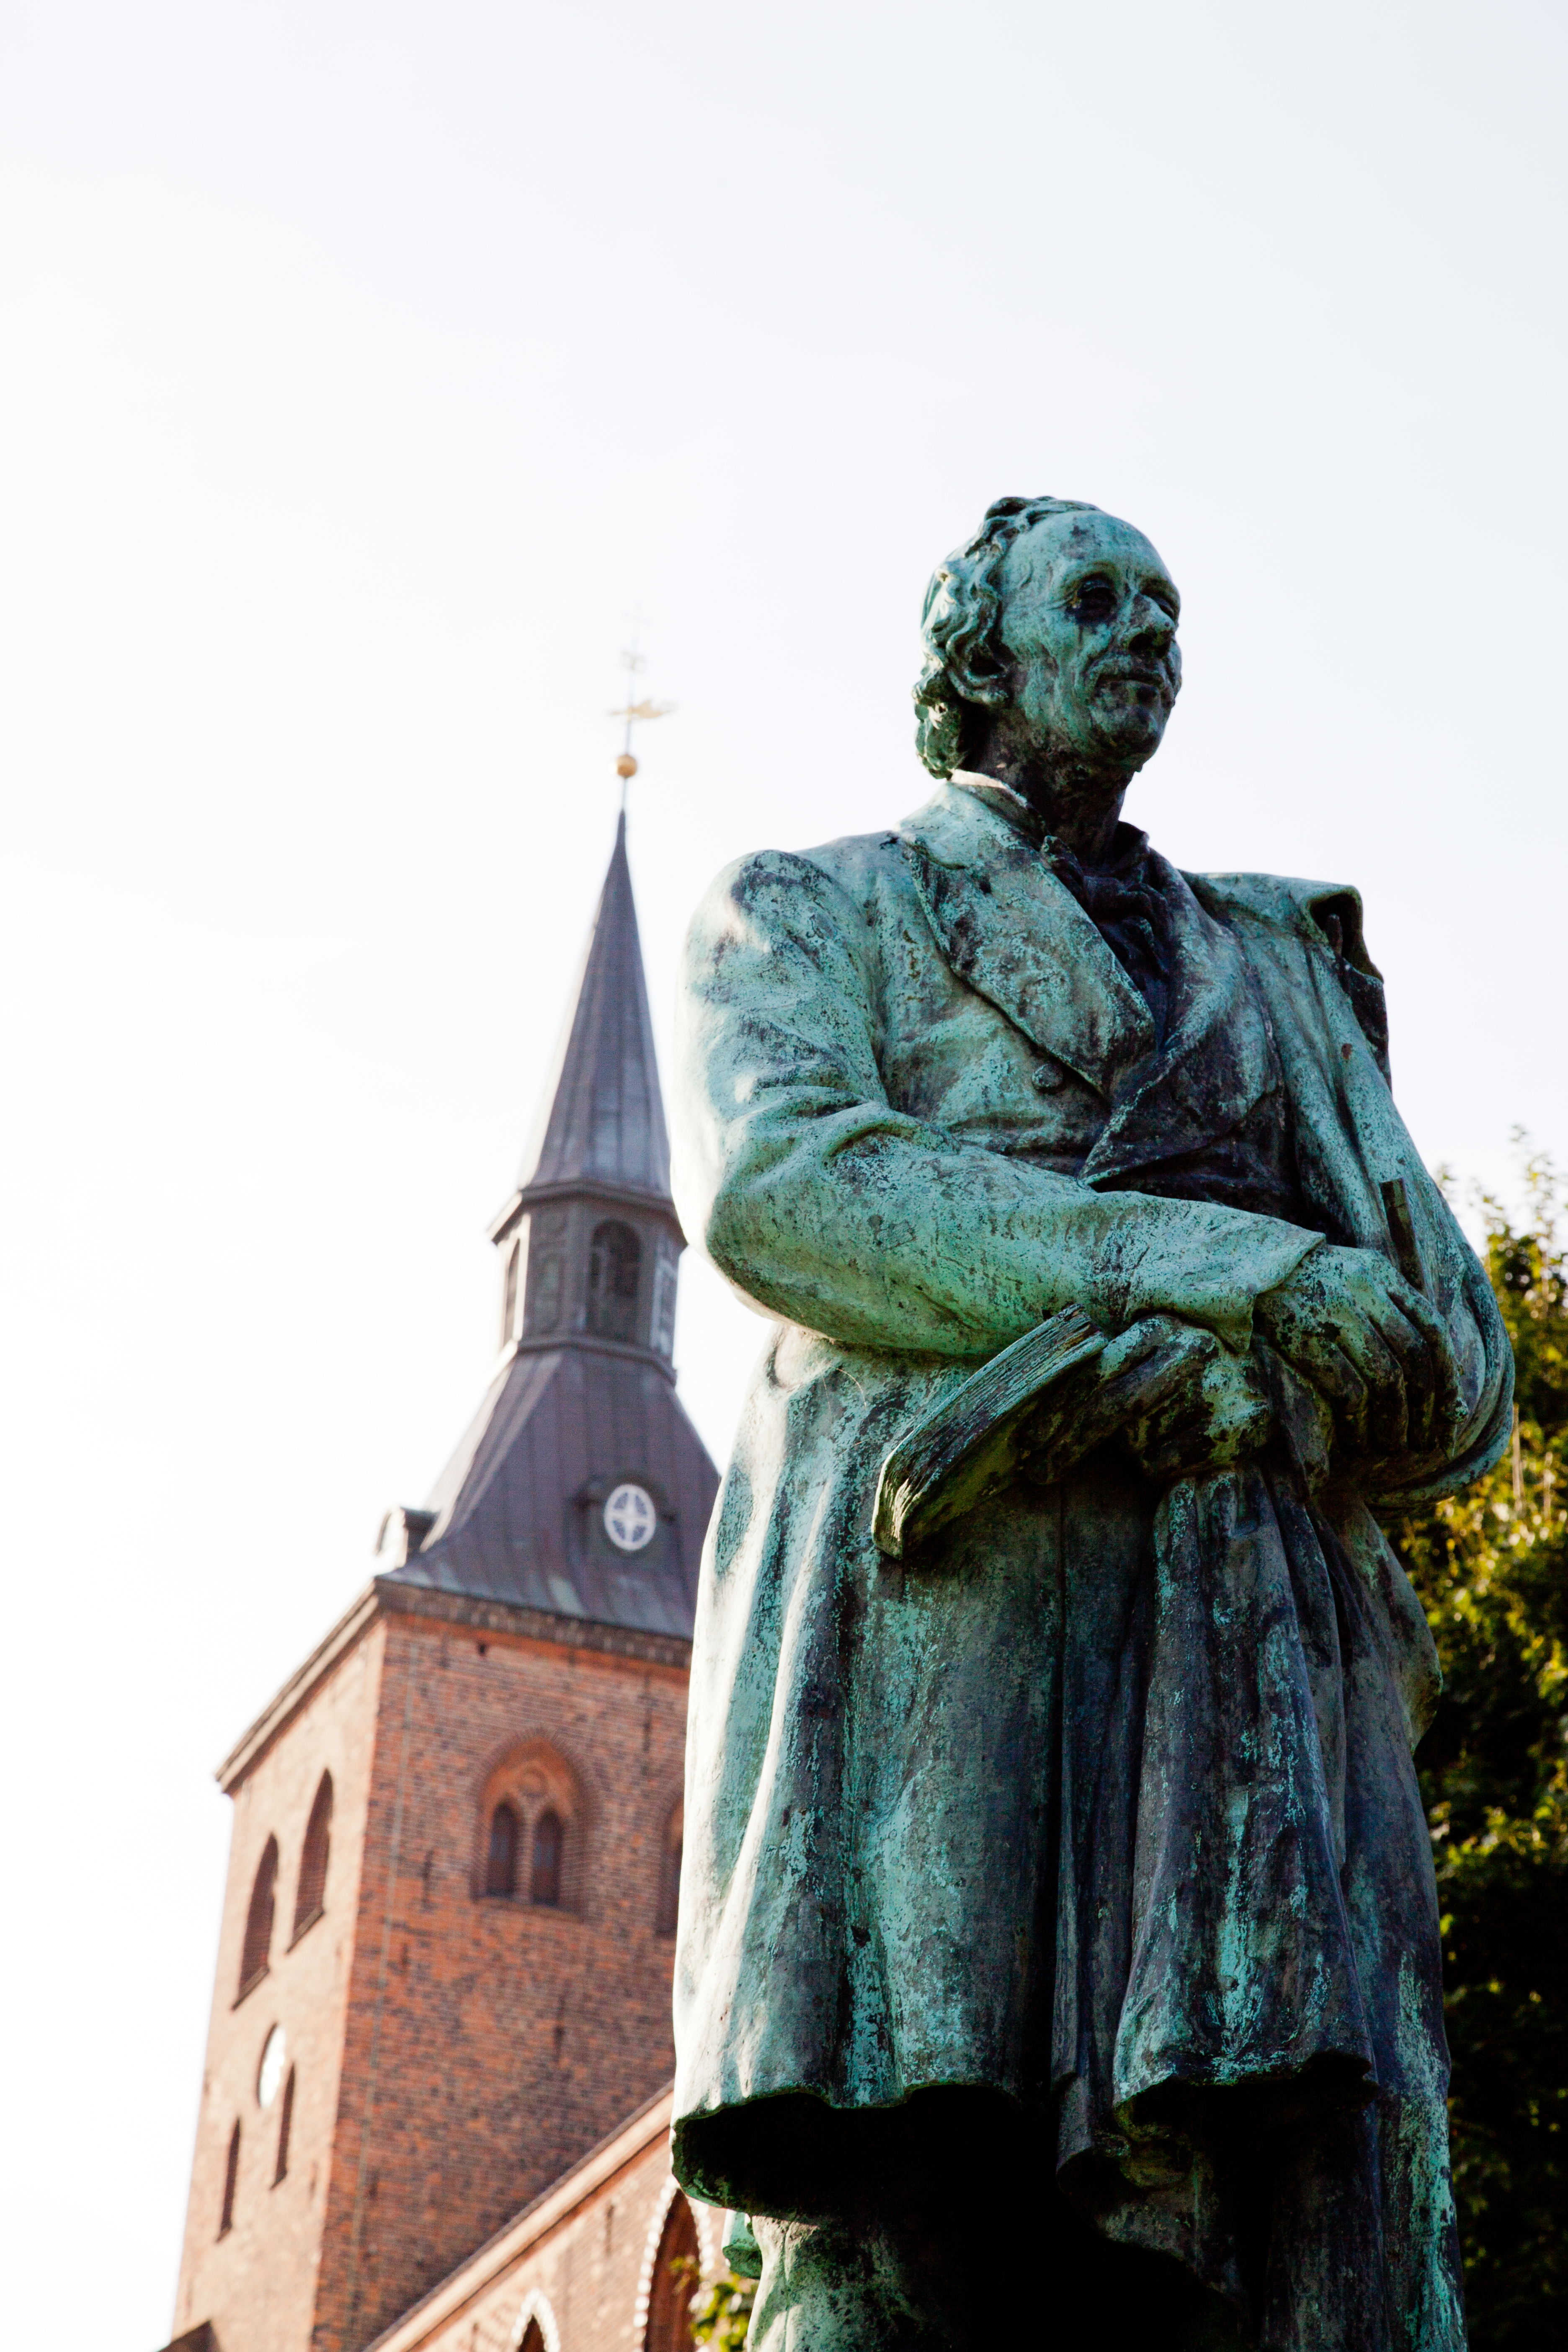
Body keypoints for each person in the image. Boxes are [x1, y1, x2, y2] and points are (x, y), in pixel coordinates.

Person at [668, 496, 1511, 2351]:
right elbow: (791, 1195)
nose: (1149, 637)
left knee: (1303, 2264)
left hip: (1243, 1649)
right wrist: (1222, 1266)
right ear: (979, 660)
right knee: (908, 2242)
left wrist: (1273, 1364)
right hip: (937, 1640)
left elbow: (1458, 1363)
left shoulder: (1281, 969)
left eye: (1170, 607)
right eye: (1098, 601)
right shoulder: (814, 907)